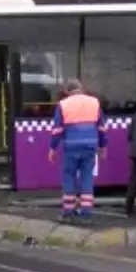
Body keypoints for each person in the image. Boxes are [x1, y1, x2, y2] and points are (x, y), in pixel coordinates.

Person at [48, 79, 107, 223]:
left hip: (71, 147)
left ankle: (68, 212)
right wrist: (103, 147)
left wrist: (53, 149)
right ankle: (86, 212)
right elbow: (101, 128)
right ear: (82, 89)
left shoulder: (63, 104)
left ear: (68, 91)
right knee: (87, 177)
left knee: (69, 176)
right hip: (90, 146)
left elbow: (57, 130)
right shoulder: (94, 102)